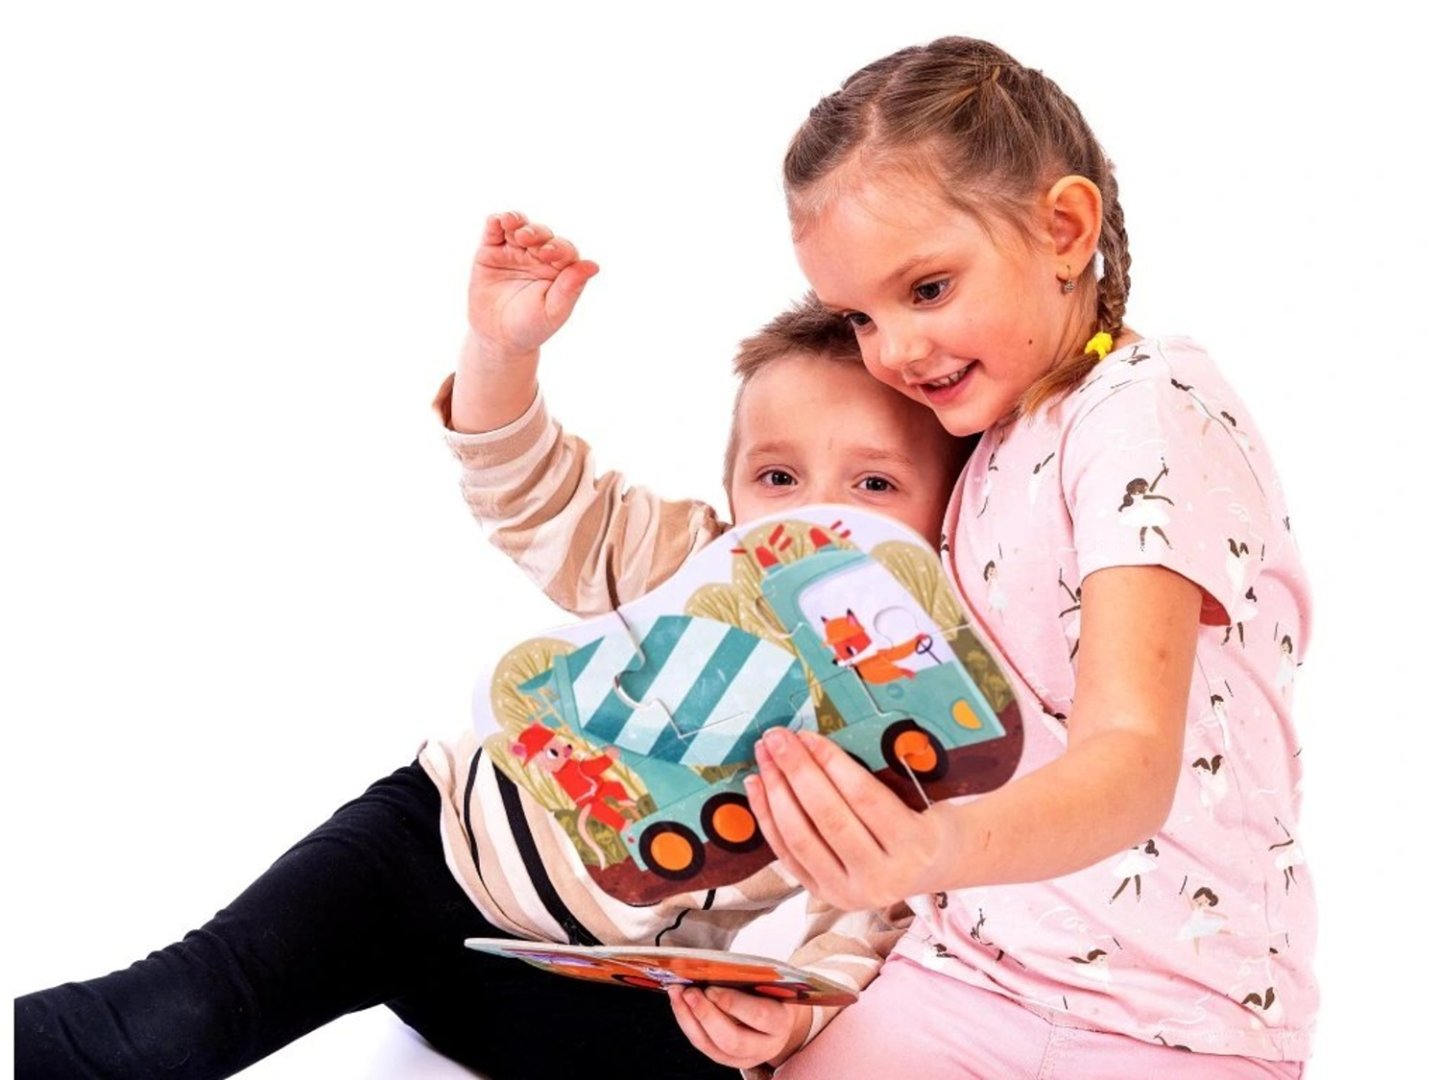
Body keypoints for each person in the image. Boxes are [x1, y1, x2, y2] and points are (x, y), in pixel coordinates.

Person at [14, 213, 969, 1079]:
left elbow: (872, 918)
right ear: (732, 489)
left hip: (568, 975)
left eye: (875, 487)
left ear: (950, 521)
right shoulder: (689, 563)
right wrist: (500, 350)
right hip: (417, 858)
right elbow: (530, 490)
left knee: (735, 1068)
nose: (814, 519)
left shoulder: (914, 731)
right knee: (167, 1023)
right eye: (777, 478)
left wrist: (791, 1019)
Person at [667, 37, 1315, 1079]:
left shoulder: (1146, 411)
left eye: (927, 288)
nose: (892, 352)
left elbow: (1131, 762)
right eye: (860, 316)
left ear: (1064, 230)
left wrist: (931, 849)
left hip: (1179, 1017)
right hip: (964, 974)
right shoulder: (975, 443)